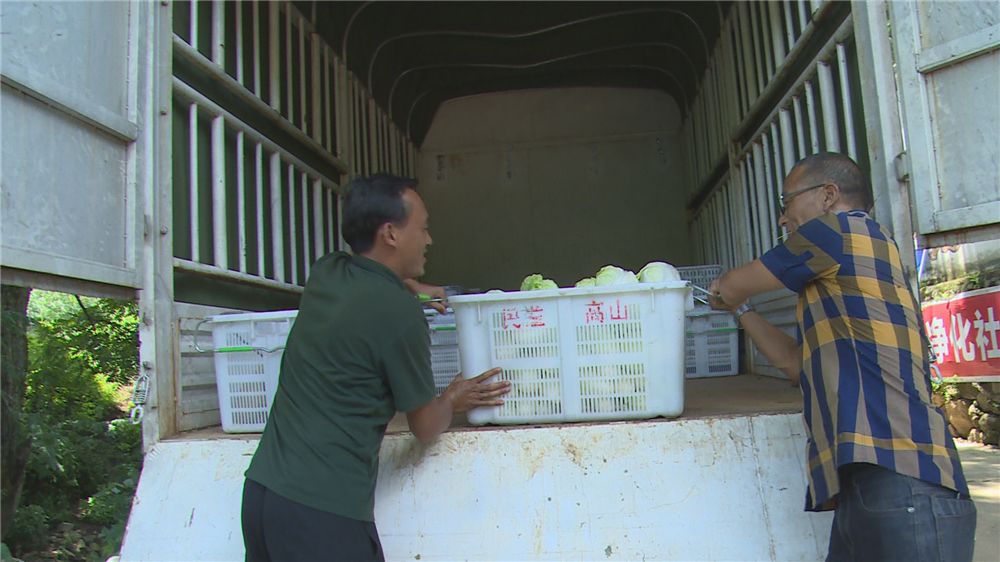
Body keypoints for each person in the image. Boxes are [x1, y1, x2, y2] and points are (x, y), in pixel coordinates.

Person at [709, 153, 976, 561]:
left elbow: (730, 285)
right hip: (867, 487)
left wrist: (723, 293)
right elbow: (794, 364)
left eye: (786, 203)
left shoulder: (839, 232)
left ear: (829, 195)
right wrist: (742, 312)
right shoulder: (837, 277)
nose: (783, 219)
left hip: (906, 479)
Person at [241, 173, 511, 561]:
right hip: (322, 514)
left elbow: (370, 276)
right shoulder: (399, 315)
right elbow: (425, 425)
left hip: (262, 496)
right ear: (391, 234)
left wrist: (411, 285)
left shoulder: (327, 272)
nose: (429, 239)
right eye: (423, 227)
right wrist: (452, 398)